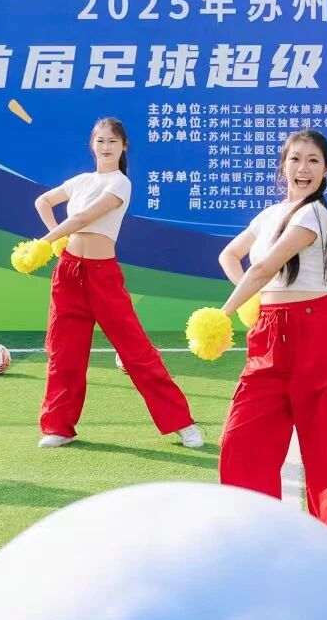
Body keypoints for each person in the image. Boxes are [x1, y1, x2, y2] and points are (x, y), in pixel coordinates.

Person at [216, 129, 327, 552]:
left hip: (315, 332)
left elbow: (264, 267)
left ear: (326, 170)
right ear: (282, 165)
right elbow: (229, 255)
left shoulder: (314, 213)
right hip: (268, 335)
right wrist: (252, 302)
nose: (303, 168)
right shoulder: (268, 214)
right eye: (295, 159)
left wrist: (223, 315)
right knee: (241, 441)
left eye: (314, 161)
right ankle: (254, 540)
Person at [32, 117, 202, 449]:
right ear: (91, 145)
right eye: (100, 141)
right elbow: (42, 202)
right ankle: (58, 426)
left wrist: (45, 241)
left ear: (124, 147)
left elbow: (83, 218)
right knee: (64, 353)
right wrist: (56, 240)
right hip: (68, 273)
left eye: (113, 141)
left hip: (103, 276)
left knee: (137, 352)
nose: (106, 146)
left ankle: (182, 423)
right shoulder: (81, 181)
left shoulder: (120, 183)